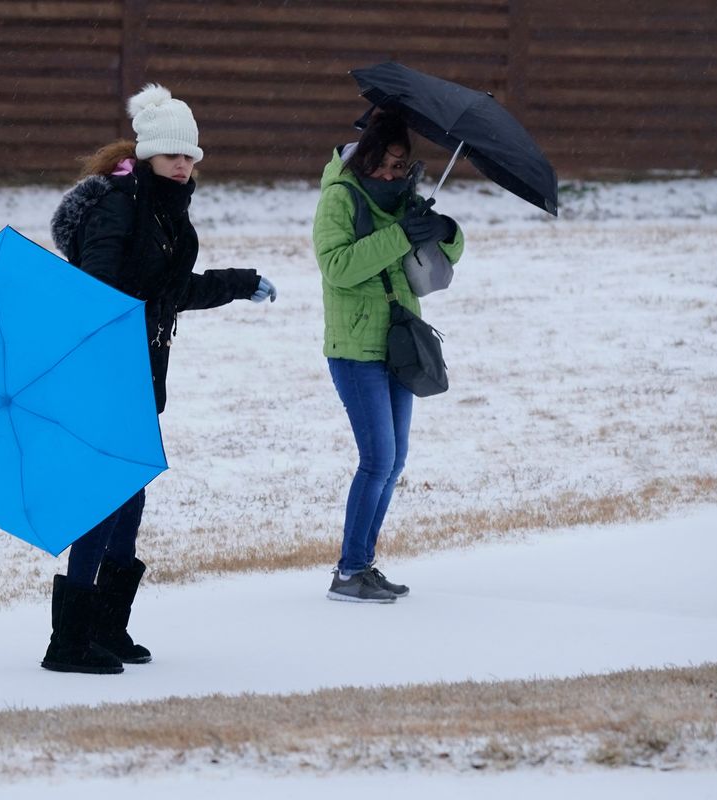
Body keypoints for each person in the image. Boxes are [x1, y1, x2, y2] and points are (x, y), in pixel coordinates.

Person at [43, 83, 277, 673]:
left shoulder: (168, 211)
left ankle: (107, 628)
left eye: (189, 154)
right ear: (146, 154)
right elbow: (97, 289)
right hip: (103, 370)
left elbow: (169, 291)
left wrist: (238, 283)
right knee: (106, 494)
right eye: (171, 153)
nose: (182, 163)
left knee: (132, 492)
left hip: (141, 369)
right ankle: (69, 644)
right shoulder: (120, 205)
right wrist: (138, 312)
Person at [312, 110, 464, 603]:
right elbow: (338, 267)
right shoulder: (339, 197)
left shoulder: (402, 198)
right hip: (356, 349)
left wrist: (444, 228)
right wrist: (400, 234)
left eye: (405, 166)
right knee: (377, 458)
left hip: (398, 342)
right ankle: (348, 572)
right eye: (391, 163)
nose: (397, 174)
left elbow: (448, 256)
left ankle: (364, 564)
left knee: (395, 459)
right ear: (371, 155)